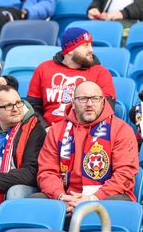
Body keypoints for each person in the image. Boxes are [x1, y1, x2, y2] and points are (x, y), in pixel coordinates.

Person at [36, 81, 138, 216]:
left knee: (119, 204)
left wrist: (92, 198)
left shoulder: (121, 130)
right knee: (33, 202)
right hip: (67, 198)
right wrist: (61, 197)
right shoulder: (56, 131)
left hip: (106, 197)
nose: (90, 104)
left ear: (102, 102)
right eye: (83, 99)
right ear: (73, 102)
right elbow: (47, 172)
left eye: (95, 99)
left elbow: (125, 174)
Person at [27, 27, 116, 130]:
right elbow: (32, 108)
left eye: (91, 45)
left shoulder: (101, 73)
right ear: (70, 50)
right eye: (85, 45)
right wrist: (45, 129)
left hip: (85, 132)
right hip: (47, 133)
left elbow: (106, 109)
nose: (91, 50)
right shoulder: (43, 69)